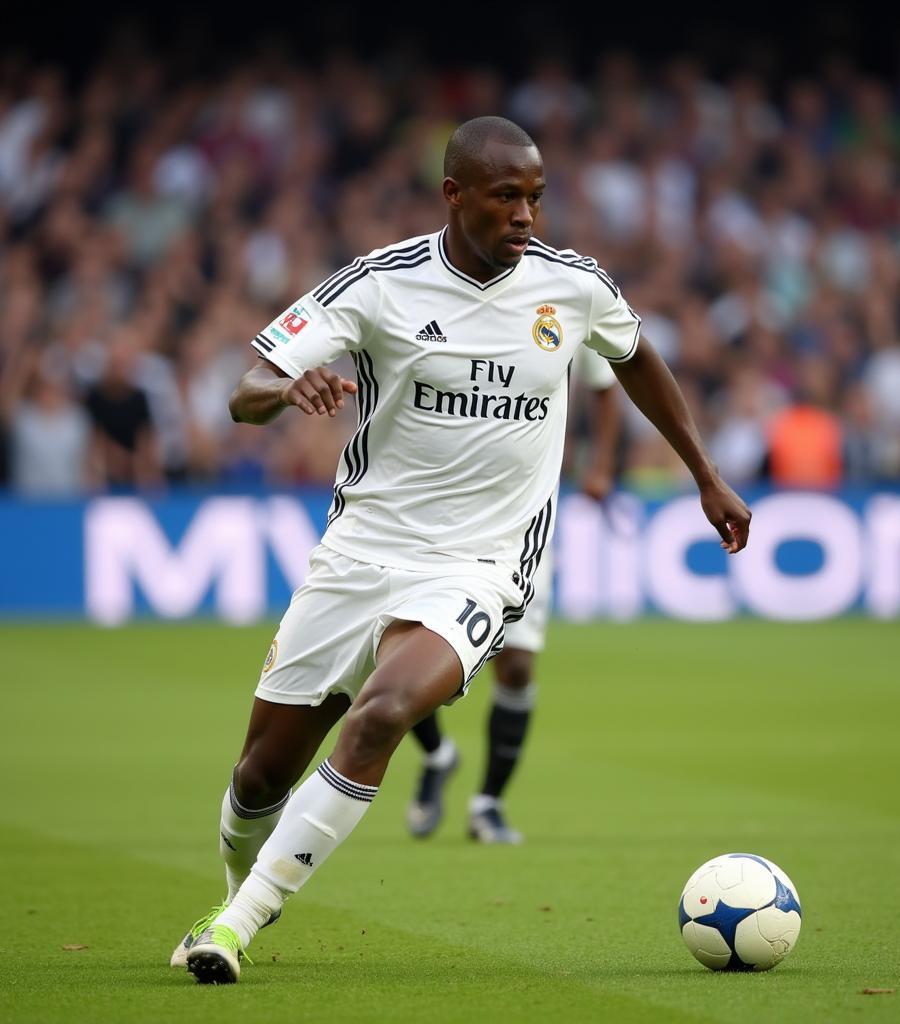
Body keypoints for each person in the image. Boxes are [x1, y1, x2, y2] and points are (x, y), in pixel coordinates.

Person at [172, 115, 751, 986]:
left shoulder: (574, 287)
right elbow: (243, 392)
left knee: (383, 714)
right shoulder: (379, 284)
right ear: (455, 195)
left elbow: (636, 360)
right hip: (361, 551)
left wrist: (705, 474)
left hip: (482, 562)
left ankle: (240, 923)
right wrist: (289, 388)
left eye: (537, 198)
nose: (527, 215)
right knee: (259, 777)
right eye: (507, 196)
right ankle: (229, 890)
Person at [406, 344, 620, 843]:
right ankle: (438, 754)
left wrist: (601, 466)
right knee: (406, 652)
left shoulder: (563, 299)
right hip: (436, 516)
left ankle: (488, 805)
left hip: (523, 524)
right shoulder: (443, 295)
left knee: (518, 665)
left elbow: (606, 388)